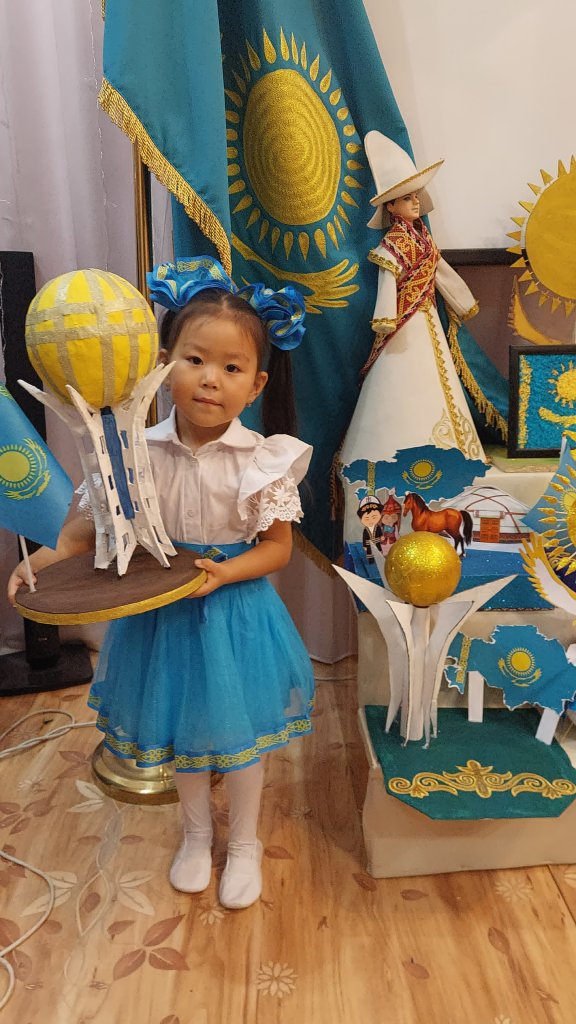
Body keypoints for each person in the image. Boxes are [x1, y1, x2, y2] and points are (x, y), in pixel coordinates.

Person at [8, 257, 314, 911]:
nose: (211, 379)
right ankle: (197, 836)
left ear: (256, 383)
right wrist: (39, 563)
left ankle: (246, 842)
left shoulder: (263, 460)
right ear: (163, 364)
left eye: (231, 368)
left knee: (240, 741)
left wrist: (224, 572)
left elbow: (277, 550)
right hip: (160, 617)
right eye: (195, 360)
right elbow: (79, 535)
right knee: (184, 734)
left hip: (235, 614)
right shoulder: (131, 453)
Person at [340, 131, 486, 469]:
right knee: (404, 374)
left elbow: (440, 272)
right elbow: (387, 283)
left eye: (416, 197)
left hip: (426, 315)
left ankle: (444, 448)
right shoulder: (393, 245)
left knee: (435, 376)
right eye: (407, 199)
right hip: (404, 323)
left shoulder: (424, 240)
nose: (415, 203)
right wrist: (386, 318)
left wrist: (462, 301)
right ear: (391, 207)